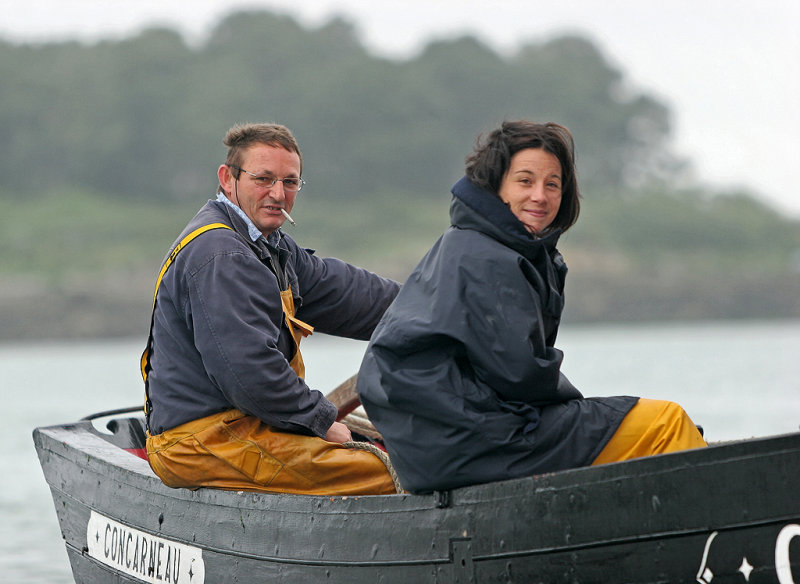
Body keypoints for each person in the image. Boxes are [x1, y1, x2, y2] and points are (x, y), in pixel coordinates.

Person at [357, 120, 706, 493]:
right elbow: (519, 375)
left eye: (552, 184)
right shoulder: (486, 256)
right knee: (665, 422)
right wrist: (581, 408)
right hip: (473, 442)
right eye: (525, 181)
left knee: (634, 426)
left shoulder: (477, 244)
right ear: (495, 187)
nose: (539, 195)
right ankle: (716, 538)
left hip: (441, 447)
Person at [142, 122, 400, 496]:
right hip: (203, 441)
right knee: (390, 472)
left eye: (290, 182)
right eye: (263, 179)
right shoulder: (221, 254)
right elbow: (248, 372)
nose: (278, 193)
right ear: (227, 179)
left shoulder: (269, 244)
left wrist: (431, 307)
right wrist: (322, 420)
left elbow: (347, 294)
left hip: (248, 424)